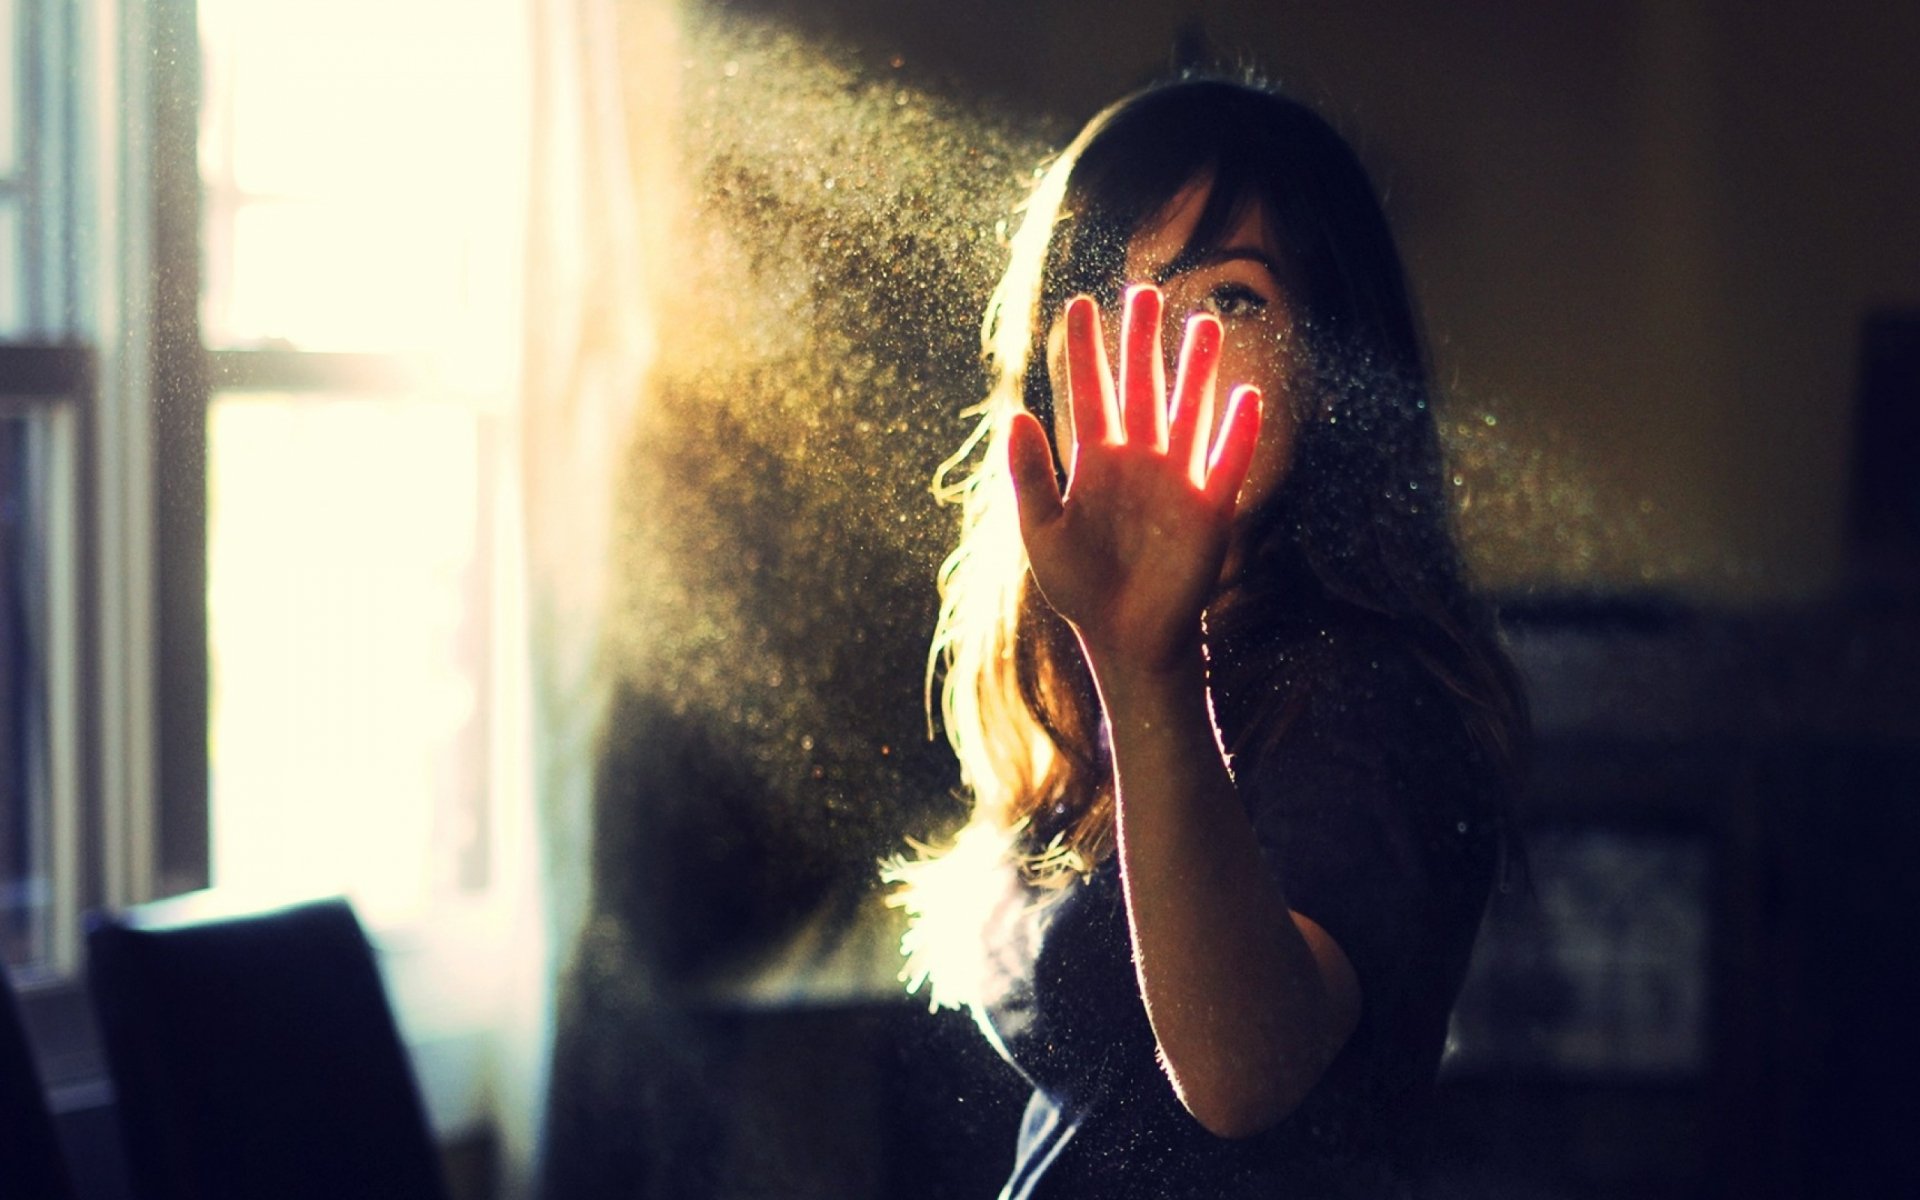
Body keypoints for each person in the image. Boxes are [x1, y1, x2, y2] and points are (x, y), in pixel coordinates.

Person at [888, 76, 1529, 1199]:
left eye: (1229, 302)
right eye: (1107, 304)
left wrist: (1144, 664)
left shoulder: (1366, 697)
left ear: (1332, 370)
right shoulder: (1089, 678)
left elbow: (1240, 1074)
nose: (1157, 357)